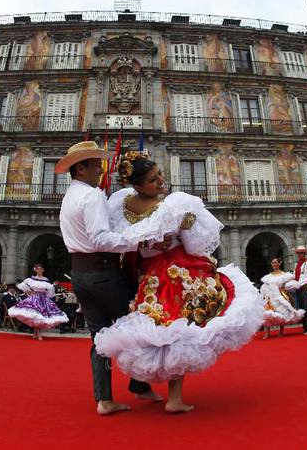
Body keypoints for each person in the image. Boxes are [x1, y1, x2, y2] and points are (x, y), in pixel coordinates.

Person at [94, 151, 264, 413]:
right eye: (153, 180)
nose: (160, 181)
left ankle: (149, 389)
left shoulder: (121, 206)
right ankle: (174, 399)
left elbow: (123, 243)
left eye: (159, 174)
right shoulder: (171, 206)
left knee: (164, 330)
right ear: (137, 185)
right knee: (183, 330)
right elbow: (195, 244)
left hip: (149, 277)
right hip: (178, 273)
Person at [58, 141, 164, 416]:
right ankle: (139, 384)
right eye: (95, 164)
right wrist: (140, 241)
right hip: (104, 273)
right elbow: (100, 238)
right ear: (80, 168)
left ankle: (104, 398)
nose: (100, 169)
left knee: (99, 337)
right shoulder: (91, 195)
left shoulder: (70, 195)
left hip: (80, 274)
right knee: (140, 325)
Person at [8, 263, 68, 340]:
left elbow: (49, 291)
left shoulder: (46, 280)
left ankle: (35, 333)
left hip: (43, 299)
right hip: (34, 298)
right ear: (35, 270)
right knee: (35, 316)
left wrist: (53, 286)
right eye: (38, 269)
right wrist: (30, 291)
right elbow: (24, 286)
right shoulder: (31, 280)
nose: (39, 270)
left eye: (40, 269)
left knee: (39, 316)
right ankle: (38, 334)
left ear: (43, 270)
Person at [260, 257, 305, 339]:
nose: (274, 264)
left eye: (275, 262)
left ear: (279, 263)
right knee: (267, 313)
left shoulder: (285, 275)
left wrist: (284, 289)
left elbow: (289, 285)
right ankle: (267, 332)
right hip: (269, 297)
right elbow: (265, 286)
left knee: (283, 312)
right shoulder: (268, 276)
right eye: (272, 263)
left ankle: (281, 331)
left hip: (280, 295)